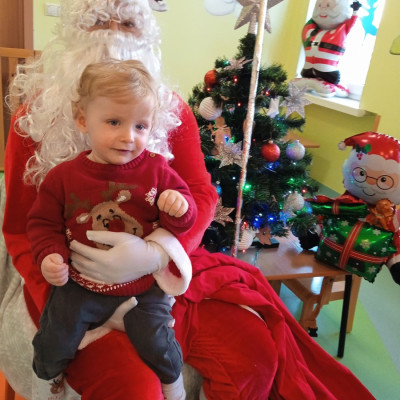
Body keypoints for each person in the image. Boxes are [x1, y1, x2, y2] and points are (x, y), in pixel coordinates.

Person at [0, 0, 376, 399]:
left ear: (145, 33)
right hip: (74, 284)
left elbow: (199, 192)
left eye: (127, 23)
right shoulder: (35, 116)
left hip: (159, 277)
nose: (112, 35)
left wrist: (157, 253)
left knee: (252, 350)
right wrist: (62, 287)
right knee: (134, 388)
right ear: (73, 32)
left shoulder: (167, 110)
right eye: (99, 22)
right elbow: (23, 228)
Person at [27, 59, 196, 400]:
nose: (128, 136)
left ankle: (173, 384)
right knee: (56, 337)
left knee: (156, 340)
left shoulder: (158, 170)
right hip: (80, 282)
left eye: (140, 126)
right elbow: (42, 224)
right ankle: (51, 375)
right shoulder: (63, 177)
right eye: (114, 122)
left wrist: (178, 207)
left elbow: (185, 217)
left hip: (142, 284)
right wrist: (50, 256)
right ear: (82, 120)